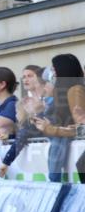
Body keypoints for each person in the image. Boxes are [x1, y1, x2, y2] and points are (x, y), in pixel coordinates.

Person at [30, 53, 85, 182]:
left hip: (67, 139)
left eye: (54, 69)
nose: (52, 73)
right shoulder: (65, 90)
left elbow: (80, 129)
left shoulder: (75, 90)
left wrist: (51, 129)